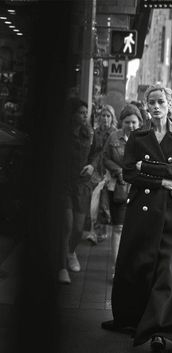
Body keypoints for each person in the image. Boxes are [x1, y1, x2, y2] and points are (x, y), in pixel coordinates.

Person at [102, 84, 172, 352]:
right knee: (135, 264)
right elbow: (129, 172)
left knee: (166, 271)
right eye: (151, 102)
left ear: (169, 103)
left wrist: (148, 168)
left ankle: (162, 331)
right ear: (145, 105)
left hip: (170, 213)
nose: (155, 106)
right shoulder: (138, 135)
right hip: (141, 207)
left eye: (161, 101)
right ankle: (130, 319)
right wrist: (161, 180)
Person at [103, 104, 143, 277]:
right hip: (118, 188)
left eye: (134, 122)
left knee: (135, 229)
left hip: (139, 189)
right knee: (118, 228)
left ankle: (132, 266)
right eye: (127, 122)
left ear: (139, 122)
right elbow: (105, 158)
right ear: (121, 122)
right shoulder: (113, 137)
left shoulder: (145, 139)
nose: (131, 126)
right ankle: (116, 268)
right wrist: (118, 170)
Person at [58, 99, 93, 284]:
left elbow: (97, 154)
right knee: (67, 225)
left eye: (85, 112)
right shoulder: (61, 135)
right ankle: (61, 266)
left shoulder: (89, 133)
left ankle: (71, 253)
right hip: (64, 184)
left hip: (82, 185)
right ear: (72, 114)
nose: (84, 115)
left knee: (79, 228)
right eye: (80, 112)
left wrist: (92, 166)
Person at [85, 104, 118, 245]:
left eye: (108, 116)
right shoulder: (96, 132)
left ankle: (99, 231)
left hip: (107, 170)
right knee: (94, 200)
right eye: (103, 115)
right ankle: (95, 231)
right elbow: (92, 151)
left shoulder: (115, 133)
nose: (105, 118)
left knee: (102, 202)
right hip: (95, 168)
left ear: (112, 118)